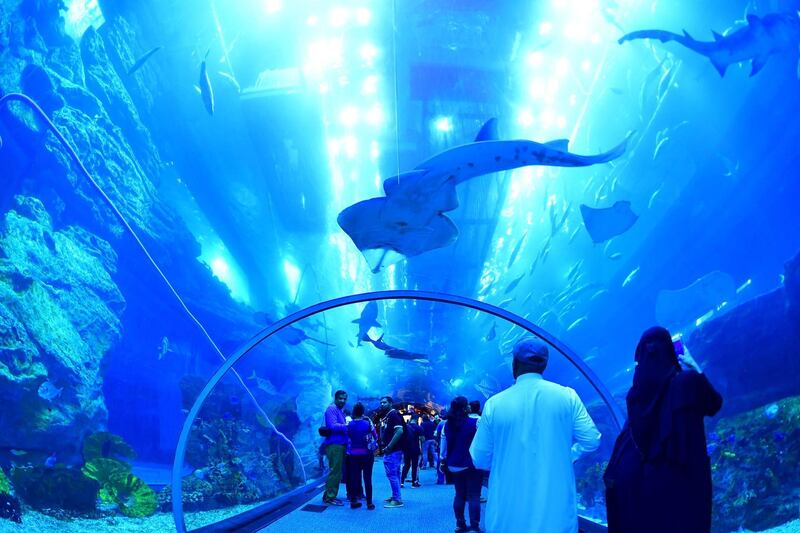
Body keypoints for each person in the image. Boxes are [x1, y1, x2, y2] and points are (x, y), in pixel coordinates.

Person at [470, 337, 601, 533]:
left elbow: (479, 459)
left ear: (514, 364)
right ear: (544, 365)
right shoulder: (568, 397)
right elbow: (591, 440)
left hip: (507, 517)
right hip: (556, 519)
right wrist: (569, 455)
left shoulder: (494, 405)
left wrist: (506, 460)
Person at [603, 326, 723, 533]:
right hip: (688, 479)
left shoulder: (635, 395)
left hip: (650, 484)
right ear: (670, 351)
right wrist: (694, 367)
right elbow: (714, 404)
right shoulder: (688, 381)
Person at [441, 396, 482, 533]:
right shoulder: (475, 422)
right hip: (472, 463)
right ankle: (475, 526)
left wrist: (443, 460)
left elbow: (444, 445)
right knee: (474, 495)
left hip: (454, 464)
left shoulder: (447, 424)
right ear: (465, 408)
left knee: (459, 495)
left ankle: (460, 525)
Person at [346, 402, 377, 510]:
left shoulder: (349, 424)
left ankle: (353, 501)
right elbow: (375, 436)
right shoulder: (367, 422)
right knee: (367, 479)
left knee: (355, 478)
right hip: (367, 455)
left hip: (353, 455)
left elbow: (348, 438)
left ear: (354, 412)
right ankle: (369, 503)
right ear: (363, 412)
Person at [378, 396, 405, 508]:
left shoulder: (393, 415)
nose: (382, 404)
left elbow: (399, 431)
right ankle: (396, 495)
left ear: (390, 403)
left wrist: (389, 447)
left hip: (393, 450)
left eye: (384, 402)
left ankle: (397, 499)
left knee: (392, 474)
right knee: (395, 474)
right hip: (395, 450)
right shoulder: (389, 416)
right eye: (381, 403)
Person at [322, 389, 348, 505]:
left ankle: (327, 495)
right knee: (335, 472)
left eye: (344, 399)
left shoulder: (339, 410)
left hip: (339, 444)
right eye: (340, 398)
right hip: (334, 444)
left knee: (336, 471)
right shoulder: (332, 409)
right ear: (335, 398)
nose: (342, 401)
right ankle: (330, 497)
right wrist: (347, 425)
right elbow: (332, 426)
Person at [401, 417, 423, 487]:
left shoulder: (406, 427)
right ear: (416, 420)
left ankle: (401, 482)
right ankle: (414, 482)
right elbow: (423, 439)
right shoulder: (419, 428)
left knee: (406, 465)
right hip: (415, 449)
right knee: (414, 465)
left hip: (406, 448)